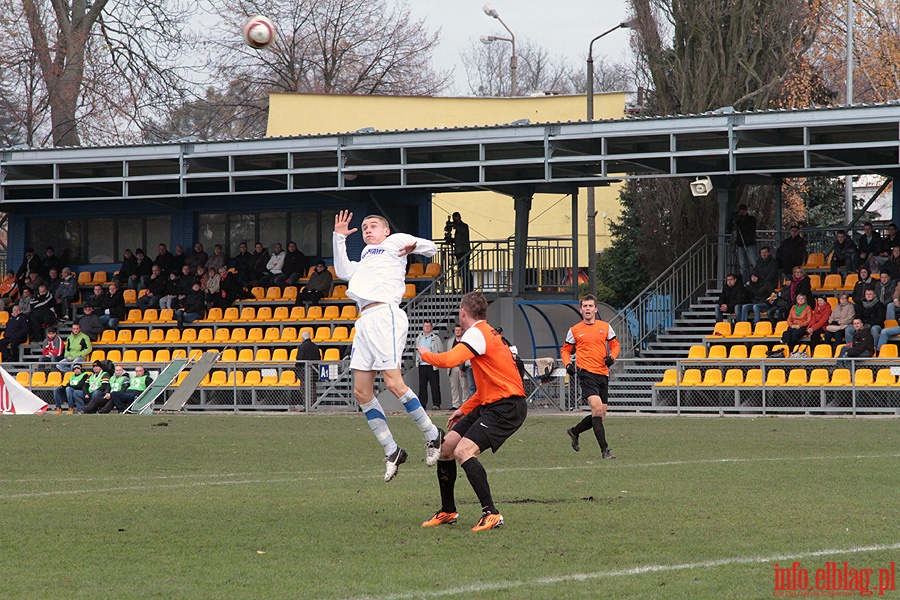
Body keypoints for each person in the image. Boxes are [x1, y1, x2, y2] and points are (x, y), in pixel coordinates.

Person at [332, 209, 443, 482]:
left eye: (373, 226)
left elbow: (433, 248)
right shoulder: (364, 259)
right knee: (361, 392)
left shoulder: (394, 243)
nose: (368, 229)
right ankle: (392, 450)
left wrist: (416, 245)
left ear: (385, 231)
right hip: (365, 320)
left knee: (393, 383)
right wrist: (338, 238)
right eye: (364, 227)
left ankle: (433, 434)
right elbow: (344, 271)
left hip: (386, 315)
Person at [417, 291, 527, 532]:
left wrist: (425, 354)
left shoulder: (477, 333)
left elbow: (448, 360)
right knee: (446, 448)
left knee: (464, 450)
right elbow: (488, 385)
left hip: (507, 407)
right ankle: (448, 511)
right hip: (489, 404)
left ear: (463, 313)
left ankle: (492, 513)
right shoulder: (485, 333)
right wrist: (464, 410)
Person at [560, 294, 619, 459]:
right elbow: (565, 350)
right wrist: (568, 365)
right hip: (586, 374)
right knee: (597, 409)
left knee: (600, 415)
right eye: (585, 306)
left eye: (590, 306)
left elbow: (615, 344)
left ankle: (574, 431)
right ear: (581, 310)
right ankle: (605, 450)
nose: (587, 309)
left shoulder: (605, 327)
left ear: (595, 309)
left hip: (603, 374)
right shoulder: (575, 330)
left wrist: (612, 357)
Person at [415, 320, 444, 410]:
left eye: (428, 326)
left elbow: (440, 351)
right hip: (422, 364)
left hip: (432, 364)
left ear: (431, 327)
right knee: (422, 385)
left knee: (434, 385)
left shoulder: (435, 338)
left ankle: (436, 404)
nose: (427, 328)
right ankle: (422, 404)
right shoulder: (419, 338)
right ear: (423, 327)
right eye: (425, 326)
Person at [728, 204, 758, 284]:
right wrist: (734, 219)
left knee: (754, 263)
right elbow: (729, 228)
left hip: (750, 243)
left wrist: (741, 220)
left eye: (743, 211)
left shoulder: (751, 219)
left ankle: (756, 279)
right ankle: (746, 281)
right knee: (743, 265)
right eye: (740, 211)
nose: (742, 213)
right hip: (740, 244)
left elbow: (749, 228)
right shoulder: (737, 219)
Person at [445, 212, 472, 292]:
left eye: (456, 218)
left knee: (465, 269)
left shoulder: (464, 226)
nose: (455, 220)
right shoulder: (457, 228)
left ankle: (468, 287)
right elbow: (458, 240)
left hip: (464, 251)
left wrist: (453, 225)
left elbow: (463, 232)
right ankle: (465, 287)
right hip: (459, 251)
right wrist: (450, 239)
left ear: (459, 217)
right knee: (461, 270)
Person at [446, 325, 469, 409]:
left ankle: (465, 404)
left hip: (462, 367)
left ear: (462, 331)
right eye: (456, 330)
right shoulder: (450, 342)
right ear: (454, 331)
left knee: (464, 386)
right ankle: (455, 404)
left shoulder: (465, 341)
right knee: (454, 387)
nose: (458, 331)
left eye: (459, 330)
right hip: (452, 367)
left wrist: (464, 366)